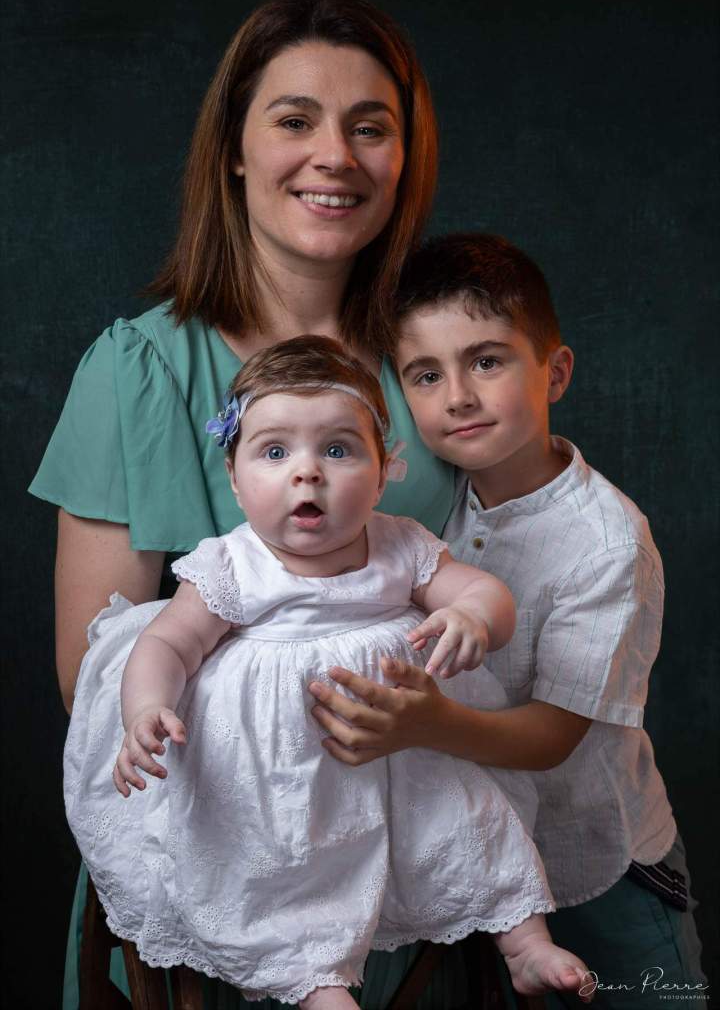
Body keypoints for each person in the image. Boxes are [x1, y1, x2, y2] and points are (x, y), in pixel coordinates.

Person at [29, 0, 458, 1009]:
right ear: (234, 148)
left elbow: (508, 596)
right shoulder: (134, 371)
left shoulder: (440, 368)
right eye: (295, 119)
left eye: (371, 127)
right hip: (203, 876)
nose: (336, 157)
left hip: (409, 875)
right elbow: (94, 682)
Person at [65, 335, 594, 1008]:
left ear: (381, 472)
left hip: (404, 758)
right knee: (291, 869)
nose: (306, 473)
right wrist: (145, 710)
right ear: (234, 476)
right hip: (281, 772)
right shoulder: (232, 565)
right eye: (275, 451)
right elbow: (168, 644)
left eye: (337, 450)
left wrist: (475, 619)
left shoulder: (400, 543)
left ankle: (524, 942)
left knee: (468, 819)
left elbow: (482, 590)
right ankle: (315, 982)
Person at [309, 233, 707, 1006]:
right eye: (426, 375)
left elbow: (554, 737)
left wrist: (421, 724)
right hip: (486, 869)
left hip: (600, 866)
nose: (457, 395)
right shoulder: (424, 507)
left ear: (553, 371)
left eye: (486, 361)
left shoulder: (606, 541)